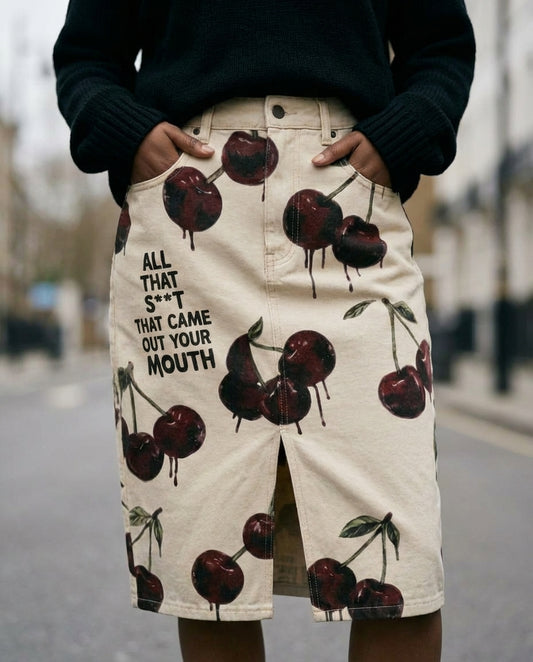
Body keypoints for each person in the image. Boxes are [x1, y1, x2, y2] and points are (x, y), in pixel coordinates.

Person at [53, 2, 475, 660]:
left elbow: (441, 46)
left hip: (347, 204)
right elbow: (86, 58)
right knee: (207, 544)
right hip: (189, 212)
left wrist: (402, 133)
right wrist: (131, 134)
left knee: (402, 558)